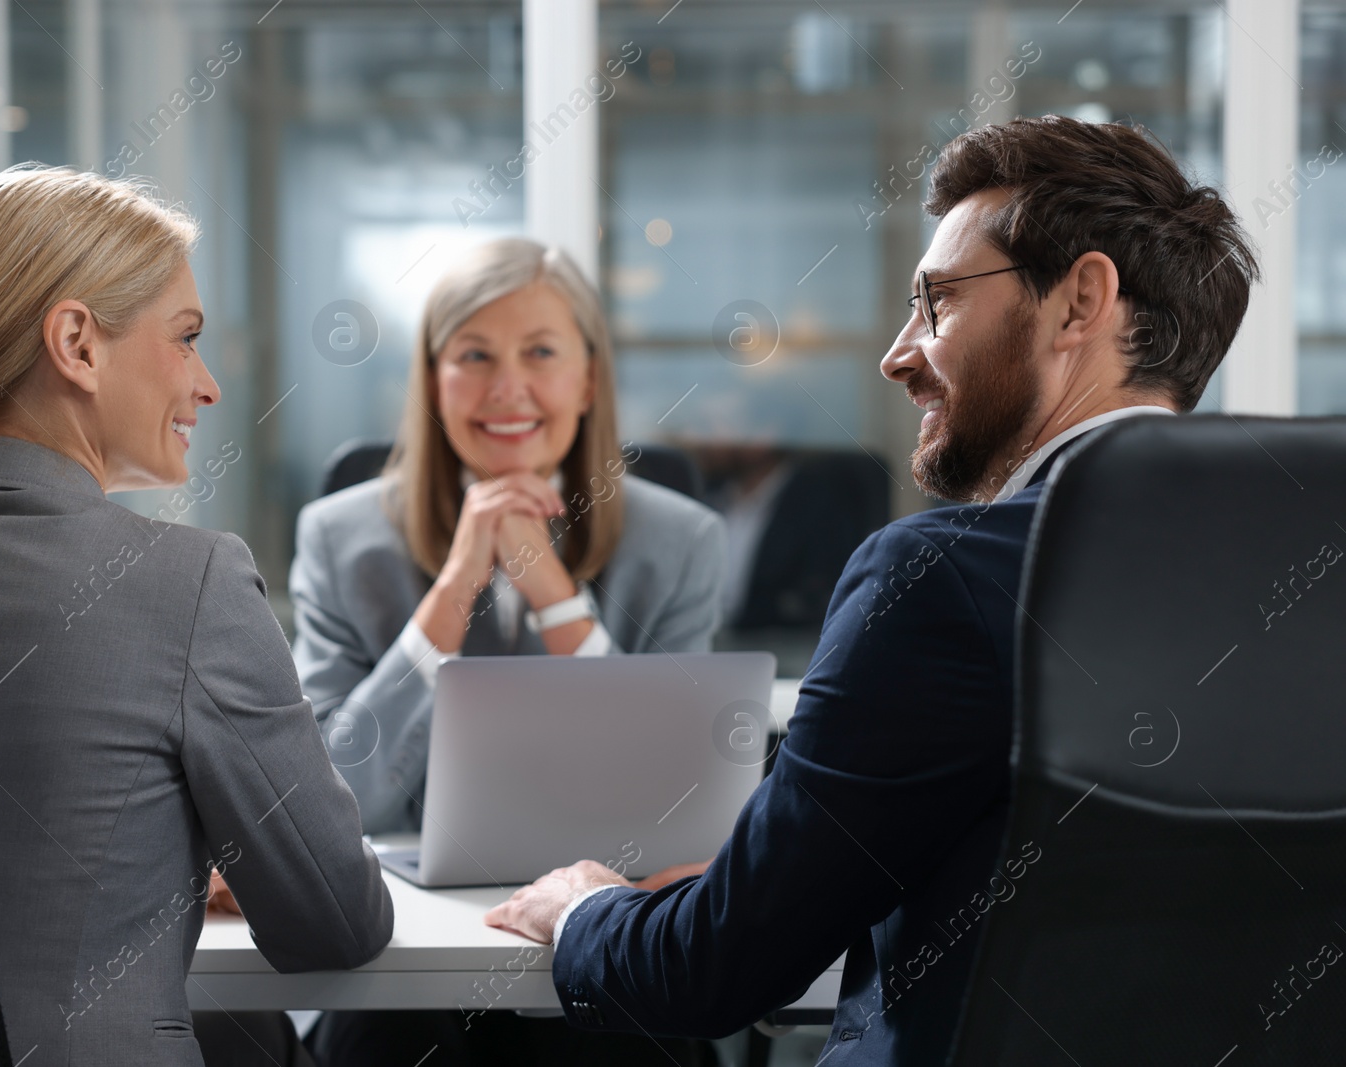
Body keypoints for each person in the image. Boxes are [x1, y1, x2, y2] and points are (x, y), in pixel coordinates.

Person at [485, 115, 1260, 1066]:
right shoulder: (1300, 581)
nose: (898, 354)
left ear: (1079, 302)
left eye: (935, 303)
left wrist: (582, 909)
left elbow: (713, 969)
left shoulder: (943, 578)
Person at [0, 165, 392, 1066]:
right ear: (77, 342)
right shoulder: (186, 581)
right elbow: (335, 923)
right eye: (186, 338)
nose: (208, 386)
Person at [288, 237, 726, 1065]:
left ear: (588, 378)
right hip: (404, 960)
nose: (507, 387)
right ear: (431, 380)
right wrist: (452, 594)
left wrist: (553, 591)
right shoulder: (341, 539)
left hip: (605, 940)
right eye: (474, 355)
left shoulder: (681, 542)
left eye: (541, 353)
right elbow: (333, 803)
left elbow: (667, 806)